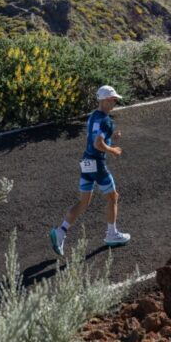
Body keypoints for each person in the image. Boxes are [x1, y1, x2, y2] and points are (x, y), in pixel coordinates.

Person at [50, 85, 131, 256]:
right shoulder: (107, 121)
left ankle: (60, 231)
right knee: (113, 197)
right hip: (97, 164)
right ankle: (112, 234)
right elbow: (97, 144)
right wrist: (113, 150)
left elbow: (95, 138)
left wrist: (111, 137)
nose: (115, 102)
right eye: (114, 99)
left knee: (83, 202)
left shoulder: (94, 116)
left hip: (86, 161)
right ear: (106, 100)